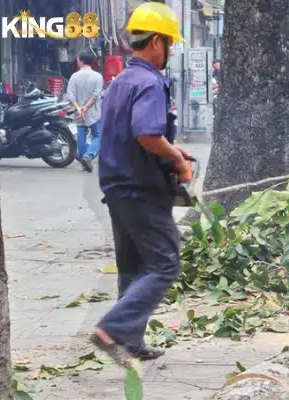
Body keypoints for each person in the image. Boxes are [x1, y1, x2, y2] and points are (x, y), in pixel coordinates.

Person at [90, 2, 190, 370]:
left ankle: (129, 340)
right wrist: (177, 160)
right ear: (157, 43)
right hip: (141, 189)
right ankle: (112, 329)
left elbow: (134, 134)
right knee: (165, 264)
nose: (170, 52)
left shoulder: (121, 82)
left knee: (132, 266)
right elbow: (146, 134)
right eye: (171, 44)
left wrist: (172, 150)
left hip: (118, 188)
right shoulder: (149, 81)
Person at [67, 50, 104, 173]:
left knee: (81, 137)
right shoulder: (98, 77)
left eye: (77, 60)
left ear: (81, 61)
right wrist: (86, 108)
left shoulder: (74, 76)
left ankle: (84, 160)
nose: (77, 62)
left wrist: (79, 108)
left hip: (79, 113)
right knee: (98, 136)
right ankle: (88, 156)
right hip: (94, 112)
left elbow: (70, 96)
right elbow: (96, 95)